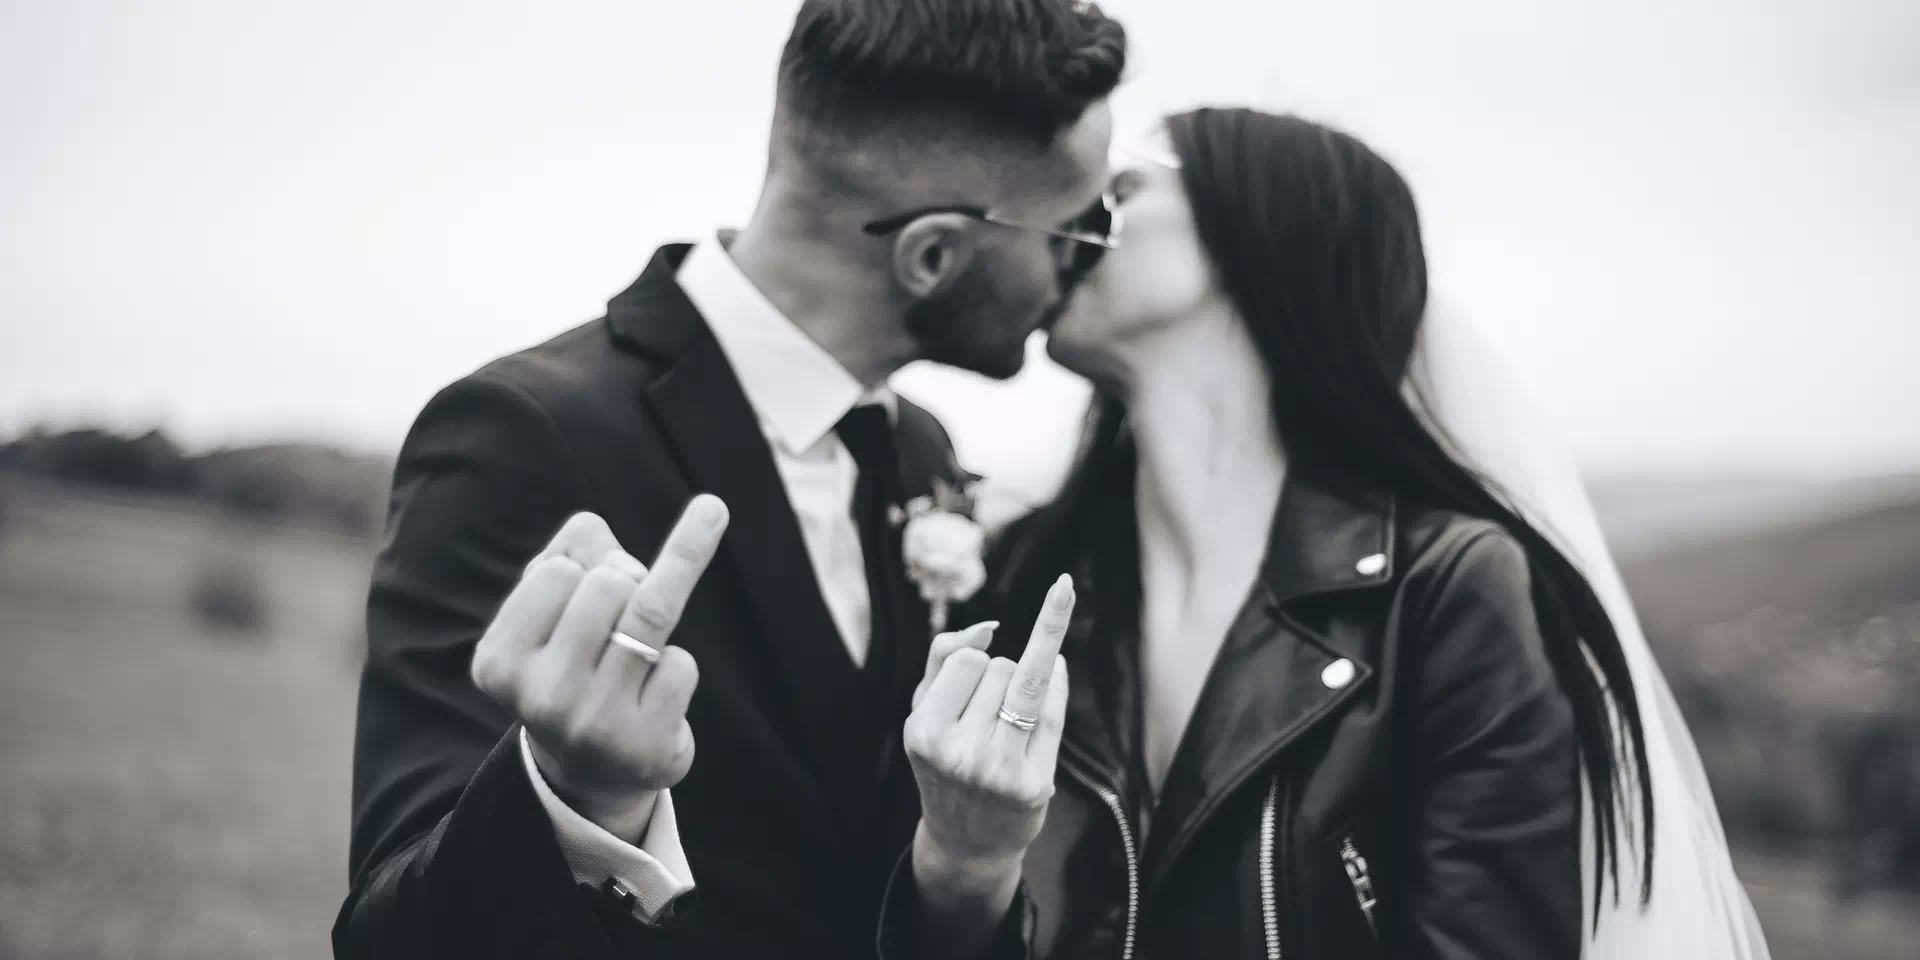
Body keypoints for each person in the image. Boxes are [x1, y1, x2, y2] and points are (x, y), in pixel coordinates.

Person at [332, 2, 1127, 957]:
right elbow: (393, 938)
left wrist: (969, 865)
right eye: (1077, 229)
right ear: (932, 254)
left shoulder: (922, 454)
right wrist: (575, 798)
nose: (1085, 266)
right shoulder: (524, 434)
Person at [887, 108, 1770, 958]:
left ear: (1256, 231)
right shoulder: (1025, 578)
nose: (1068, 221)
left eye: (1121, 189)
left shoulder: (1447, 592)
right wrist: (966, 865)